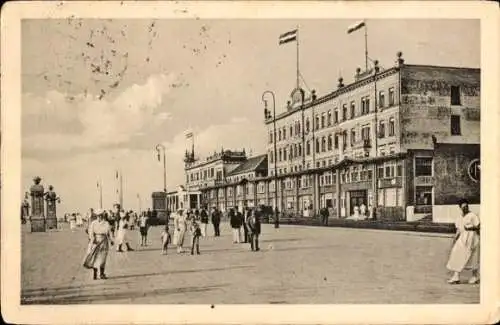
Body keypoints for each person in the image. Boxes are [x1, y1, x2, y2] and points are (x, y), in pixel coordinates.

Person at [446, 199, 480, 284]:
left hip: (472, 238)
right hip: (462, 238)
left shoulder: (473, 215)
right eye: (464, 207)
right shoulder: (459, 217)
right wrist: (455, 238)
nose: (465, 208)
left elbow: (478, 226)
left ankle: (474, 276)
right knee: (457, 254)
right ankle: (456, 276)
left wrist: (471, 228)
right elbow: (458, 229)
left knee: (472, 257)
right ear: (460, 207)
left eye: (467, 206)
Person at [83, 209, 114, 280]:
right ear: (96, 216)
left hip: (104, 242)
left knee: (103, 258)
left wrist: (111, 240)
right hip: (95, 242)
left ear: (103, 216)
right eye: (98, 216)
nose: (99, 217)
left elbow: (109, 233)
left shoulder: (106, 223)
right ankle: (95, 273)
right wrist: (92, 239)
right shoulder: (93, 223)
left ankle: (102, 273)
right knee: (95, 258)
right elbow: (90, 232)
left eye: (101, 216)